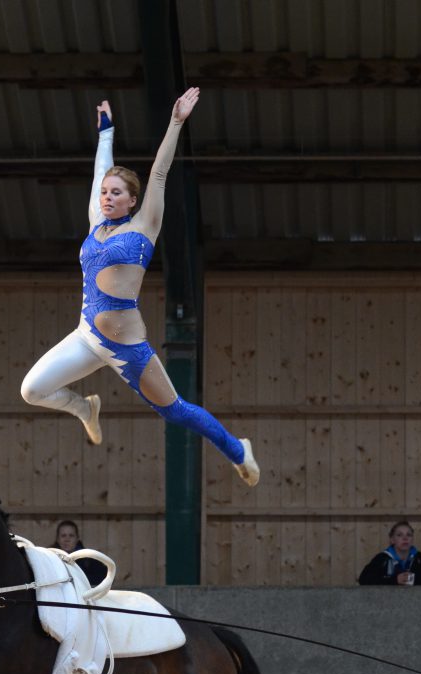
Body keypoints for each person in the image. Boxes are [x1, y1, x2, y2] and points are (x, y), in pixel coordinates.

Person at [20, 89, 259, 487]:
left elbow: (161, 171)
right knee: (31, 389)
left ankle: (239, 451)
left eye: (117, 193)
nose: (108, 197)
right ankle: (84, 409)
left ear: (132, 200)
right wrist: (106, 133)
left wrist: (177, 122)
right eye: (105, 193)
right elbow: (101, 171)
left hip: (129, 350)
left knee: (176, 411)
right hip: (87, 335)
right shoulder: (98, 222)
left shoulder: (144, 226)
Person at [358, 521, 421, 586]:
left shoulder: (420, 558)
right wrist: (395, 580)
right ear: (392, 540)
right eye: (400, 535)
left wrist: (412, 580)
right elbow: (364, 580)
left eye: (409, 535)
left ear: (412, 539)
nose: (405, 538)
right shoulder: (382, 558)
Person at [51, 519, 107, 588]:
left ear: (77, 538)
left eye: (71, 535)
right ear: (57, 539)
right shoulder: (50, 559)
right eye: (63, 535)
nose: (67, 539)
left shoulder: (88, 559)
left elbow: (105, 578)